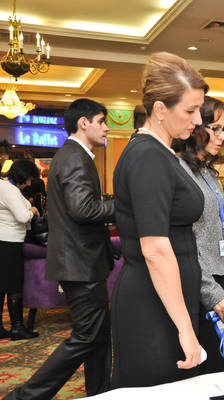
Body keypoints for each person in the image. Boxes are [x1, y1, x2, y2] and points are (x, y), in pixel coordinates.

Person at [5, 99, 115, 400]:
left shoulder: (75, 156)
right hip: (79, 262)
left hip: (83, 260)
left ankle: (100, 392)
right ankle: (24, 397)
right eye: (102, 121)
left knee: (99, 336)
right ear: (84, 123)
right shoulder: (74, 157)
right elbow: (84, 209)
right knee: (86, 337)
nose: (107, 128)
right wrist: (125, 206)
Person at [110, 52, 207, 388]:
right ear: (161, 110)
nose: (198, 120)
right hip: (152, 303)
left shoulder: (161, 153)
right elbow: (155, 250)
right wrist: (185, 328)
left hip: (167, 299)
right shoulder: (147, 156)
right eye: (190, 111)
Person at [172, 96, 224, 373]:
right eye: (216, 128)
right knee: (207, 364)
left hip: (221, 271)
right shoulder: (179, 172)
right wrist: (210, 290)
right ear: (195, 127)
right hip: (200, 281)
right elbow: (184, 242)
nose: (222, 136)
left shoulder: (207, 171)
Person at [0, 159, 40, 341]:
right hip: (10, 241)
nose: (30, 183)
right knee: (14, 286)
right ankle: (17, 328)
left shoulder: (4, 186)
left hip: (3, 240)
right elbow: (23, 217)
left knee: (2, 287)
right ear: (23, 176)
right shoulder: (11, 190)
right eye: (30, 178)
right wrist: (32, 210)